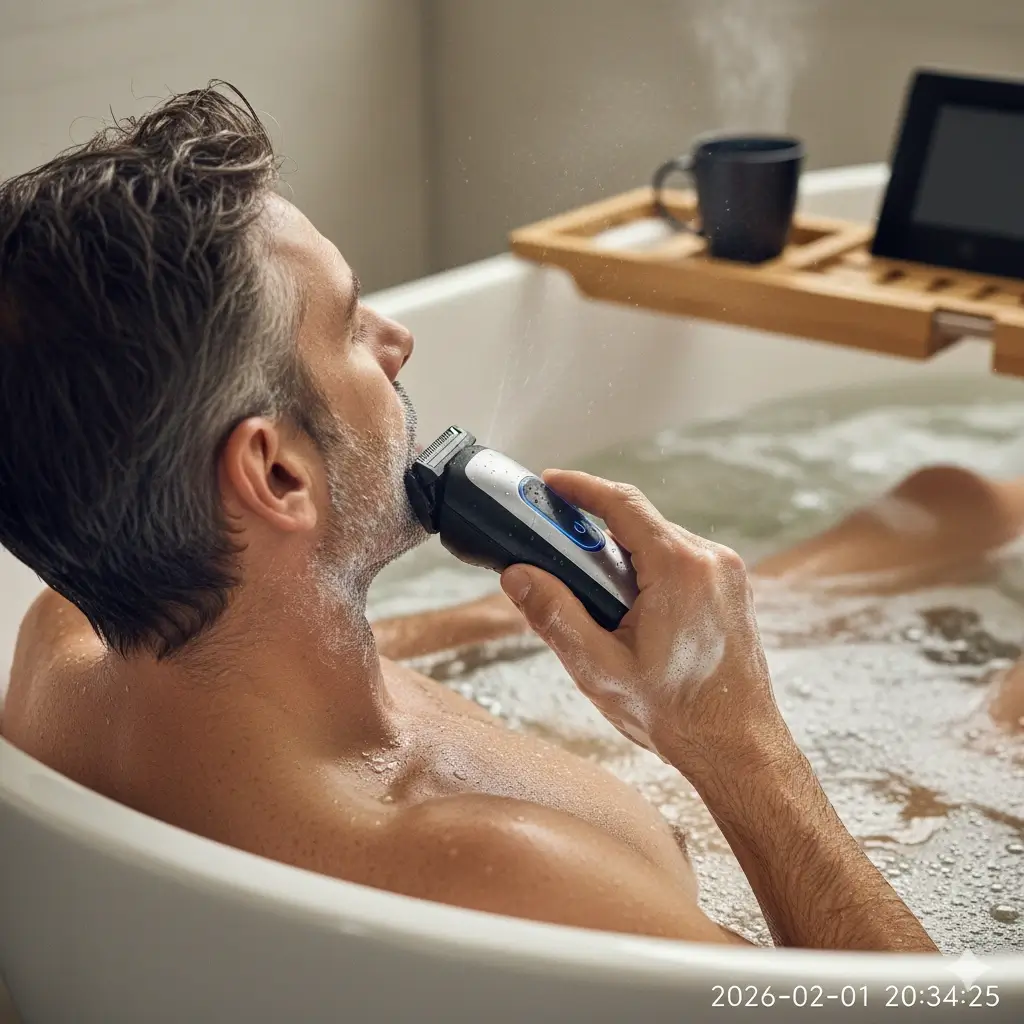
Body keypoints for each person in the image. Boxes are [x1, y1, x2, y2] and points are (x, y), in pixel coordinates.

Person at [0, 83, 940, 952]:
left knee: (945, 503)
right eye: (350, 324)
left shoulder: (65, 645)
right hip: (828, 828)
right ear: (277, 473)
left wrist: (497, 620)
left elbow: (266, 644)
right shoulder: (494, 873)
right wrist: (740, 741)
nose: (397, 340)